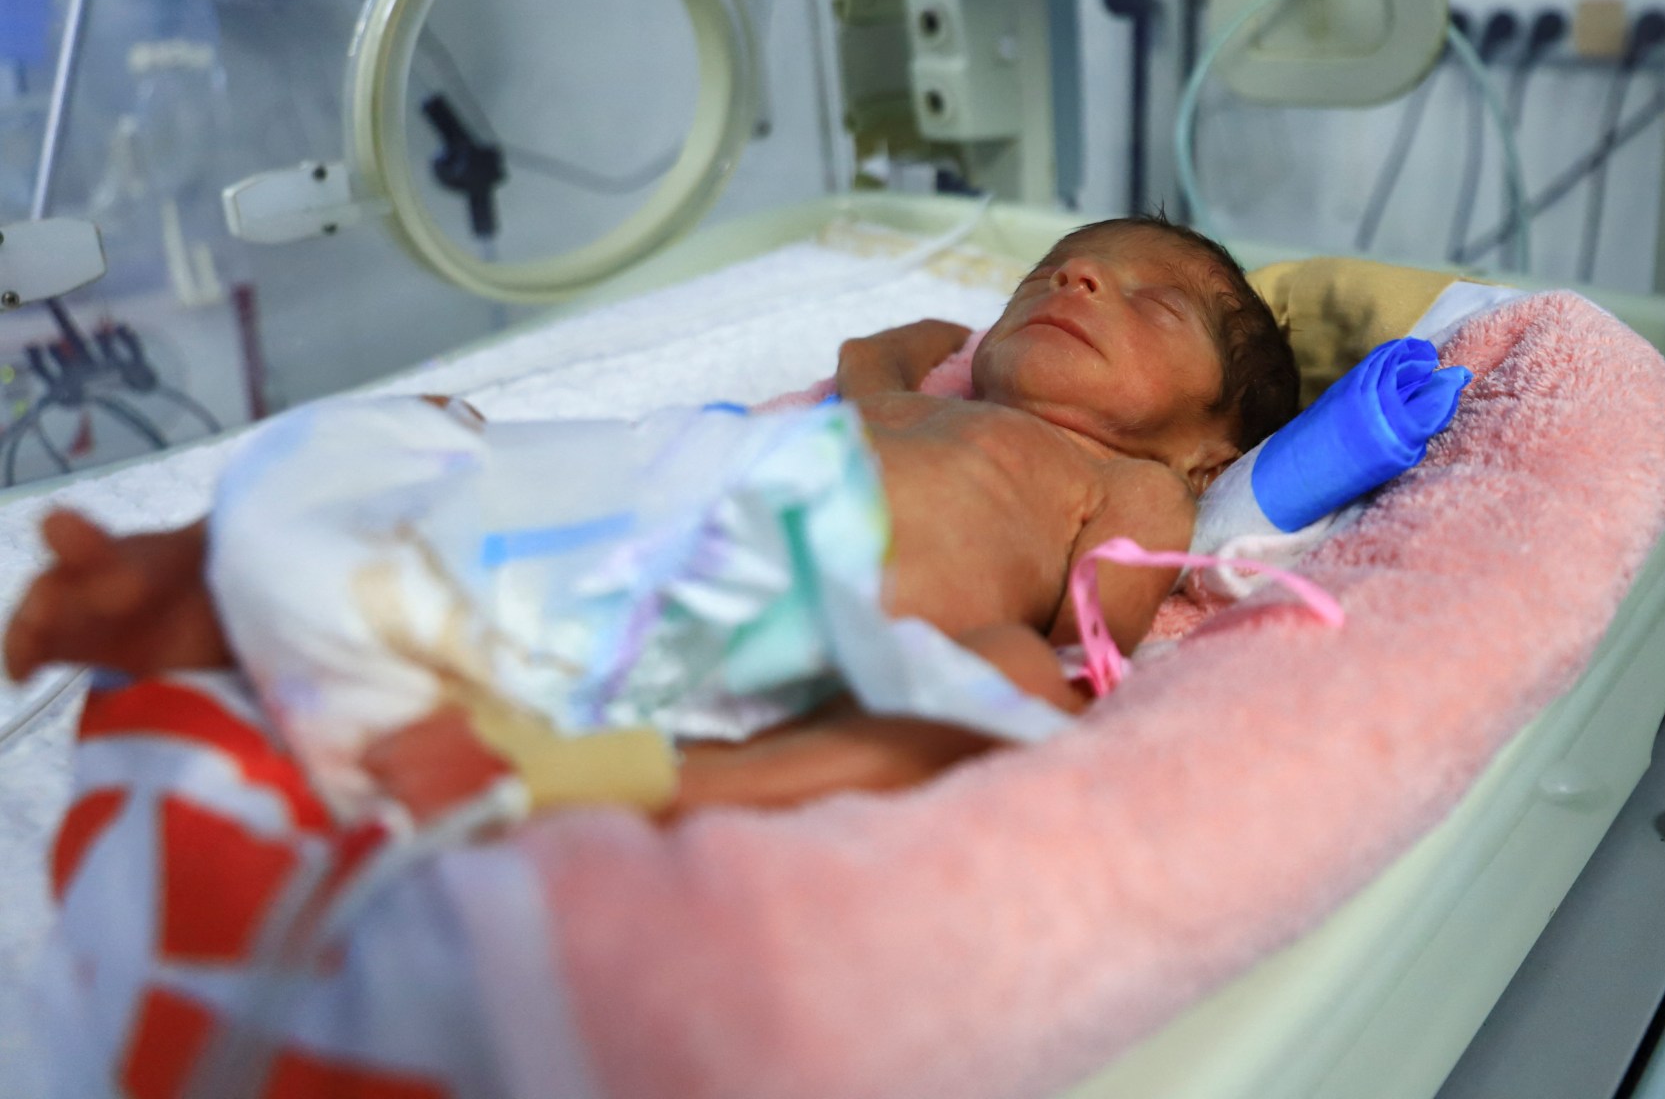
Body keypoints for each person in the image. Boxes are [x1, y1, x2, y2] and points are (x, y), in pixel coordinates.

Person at [3, 216, 1298, 826]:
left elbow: (1090, 631)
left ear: (1209, 444)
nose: (1083, 277)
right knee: (419, 452)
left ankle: (621, 779)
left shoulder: (1138, 484)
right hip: (662, 503)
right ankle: (185, 580)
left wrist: (1041, 674)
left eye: (1153, 303)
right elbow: (874, 354)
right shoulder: (926, 409)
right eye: (1053, 271)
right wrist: (932, 344)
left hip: (824, 612)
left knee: (1013, 691)